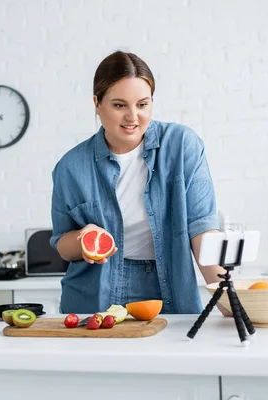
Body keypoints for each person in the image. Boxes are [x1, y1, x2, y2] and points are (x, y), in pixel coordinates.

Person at [50, 50, 228, 315]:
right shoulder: (71, 166)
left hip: (170, 282)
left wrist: (228, 301)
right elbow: (63, 245)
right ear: (97, 103)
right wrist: (82, 238)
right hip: (94, 293)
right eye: (119, 105)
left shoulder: (182, 146)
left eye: (142, 105)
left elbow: (202, 229)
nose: (133, 117)